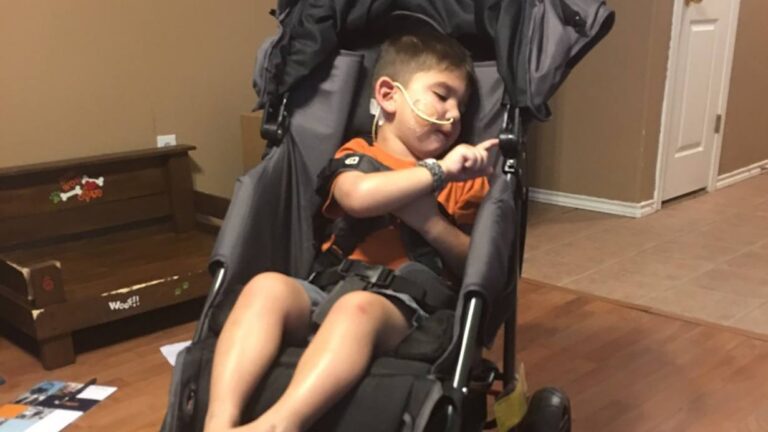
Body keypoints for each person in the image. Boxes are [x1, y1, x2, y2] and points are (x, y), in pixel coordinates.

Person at [204, 29, 498, 432]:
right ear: (389, 95)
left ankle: (278, 425)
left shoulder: (464, 179)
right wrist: (435, 172)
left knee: (355, 309)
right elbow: (357, 196)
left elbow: (474, 263)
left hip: (405, 308)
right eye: (442, 95)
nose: (455, 115)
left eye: (461, 106)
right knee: (264, 287)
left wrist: (428, 221)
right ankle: (218, 423)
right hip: (330, 286)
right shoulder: (358, 155)